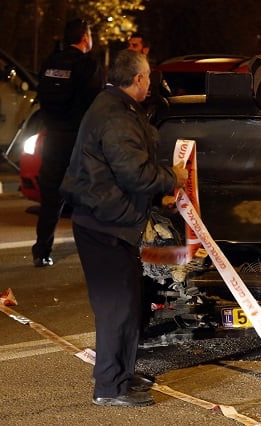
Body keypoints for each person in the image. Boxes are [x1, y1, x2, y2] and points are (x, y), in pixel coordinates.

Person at [59, 49, 188, 407]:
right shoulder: (115, 115)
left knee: (129, 305)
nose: (150, 82)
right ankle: (109, 388)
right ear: (139, 79)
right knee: (116, 308)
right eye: (147, 76)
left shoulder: (116, 107)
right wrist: (171, 178)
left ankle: (121, 373)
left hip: (112, 222)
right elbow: (136, 172)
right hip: (104, 225)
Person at [32, 18, 104, 267]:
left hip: (53, 139)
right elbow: (96, 105)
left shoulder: (51, 62)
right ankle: (95, 253)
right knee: (88, 198)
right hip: (79, 141)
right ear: (85, 37)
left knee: (51, 198)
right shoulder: (88, 65)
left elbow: (40, 94)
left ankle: (42, 251)